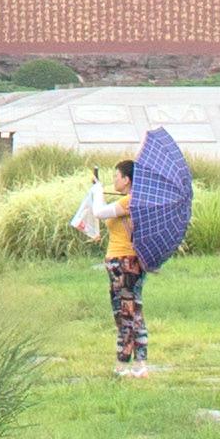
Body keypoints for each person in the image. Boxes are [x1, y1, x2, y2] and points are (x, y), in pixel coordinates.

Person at [76, 161, 152, 375]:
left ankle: (127, 364)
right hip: (124, 262)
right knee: (131, 311)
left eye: (116, 176)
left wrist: (98, 191)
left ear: (127, 180)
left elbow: (99, 212)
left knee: (126, 313)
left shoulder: (131, 201)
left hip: (126, 263)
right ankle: (137, 363)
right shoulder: (132, 201)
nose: (114, 180)